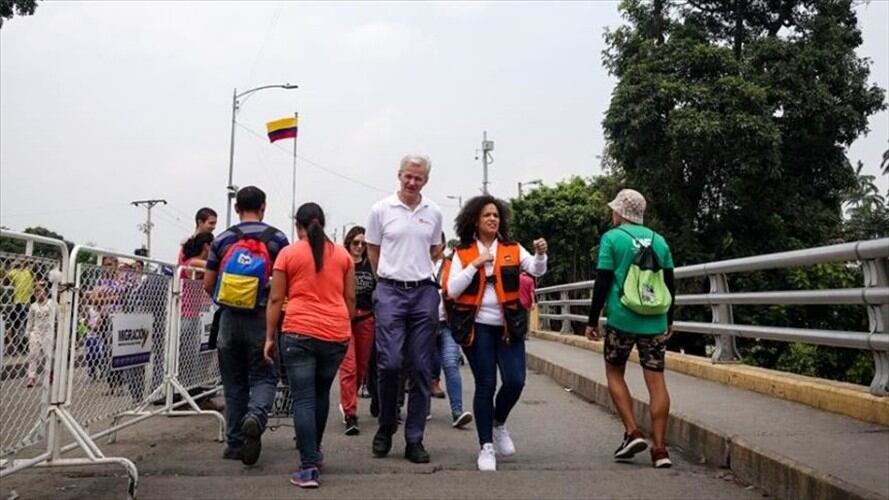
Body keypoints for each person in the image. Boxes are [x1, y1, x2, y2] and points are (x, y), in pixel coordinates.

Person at [447, 195, 548, 472]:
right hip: (477, 327)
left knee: (515, 380)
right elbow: (452, 289)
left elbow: (537, 270)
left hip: (508, 325)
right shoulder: (463, 252)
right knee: (486, 385)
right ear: (474, 221)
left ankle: (498, 421)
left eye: (496, 215)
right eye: (486, 215)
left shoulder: (513, 249)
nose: (493, 219)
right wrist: (475, 264)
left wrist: (540, 254)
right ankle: (486, 447)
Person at [264, 202, 354, 489]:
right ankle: (315, 453)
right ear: (323, 223)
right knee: (321, 394)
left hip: (299, 332)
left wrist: (269, 337)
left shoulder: (288, 254)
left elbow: (276, 299)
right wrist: (342, 324)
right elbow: (350, 299)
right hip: (335, 333)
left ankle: (308, 465)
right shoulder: (343, 255)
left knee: (302, 398)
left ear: (297, 225)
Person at [584, 188, 676, 469]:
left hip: (622, 319)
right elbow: (670, 283)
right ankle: (660, 450)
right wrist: (669, 319)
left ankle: (632, 431)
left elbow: (602, 282)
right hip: (655, 321)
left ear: (621, 212)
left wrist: (591, 320)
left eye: (614, 209)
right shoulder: (660, 242)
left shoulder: (611, 239)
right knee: (656, 380)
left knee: (614, 371)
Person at [203, 186, 289, 465]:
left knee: (233, 381)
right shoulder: (277, 239)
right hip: (262, 317)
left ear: (237, 207)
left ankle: (234, 442)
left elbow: (207, 283)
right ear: (264, 207)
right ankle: (256, 416)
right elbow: (284, 284)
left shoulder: (223, 239)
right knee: (264, 375)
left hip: (228, 319)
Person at [366, 154, 443, 464]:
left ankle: (415, 438)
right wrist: (383, 281)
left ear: (426, 180)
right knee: (390, 363)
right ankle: (386, 425)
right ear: (399, 175)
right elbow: (373, 249)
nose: (412, 182)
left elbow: (435, 249)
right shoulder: (381, 210)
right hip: (390, 290)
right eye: (408, 177)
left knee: (422, 368)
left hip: (423, 291)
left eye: (419, 178)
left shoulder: (434, 212)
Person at [338, 226, 376, 436]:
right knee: (349, 368)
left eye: (363, 243)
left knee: (361, 367)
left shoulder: (371, 264)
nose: (359, 247)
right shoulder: (342, 263)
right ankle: (350, 413)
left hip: (366, 318)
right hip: (344, 320)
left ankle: (349, 398)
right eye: (356, 243)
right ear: (348, 243)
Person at [432, 232, 472, 428]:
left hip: (447, 324)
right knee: (423, 368)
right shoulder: (417, 265)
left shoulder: (451, 266)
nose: (432, 246)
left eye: (436, 242)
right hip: (424, 326)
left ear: (443, 245)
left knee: (450, 364)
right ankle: (422, 409)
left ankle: (457, 411)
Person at [25, 281, 55, 388]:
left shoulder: (51, 303)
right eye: (36, 292)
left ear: (45, 292)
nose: (38, 293)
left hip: (47, 332)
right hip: (36, 332)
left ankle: (49, 374)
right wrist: (28, 333)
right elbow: (30, 320)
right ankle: (31, 377)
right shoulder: (33, 306)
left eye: (40, 290)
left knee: (48, 355)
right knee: (33, 354)